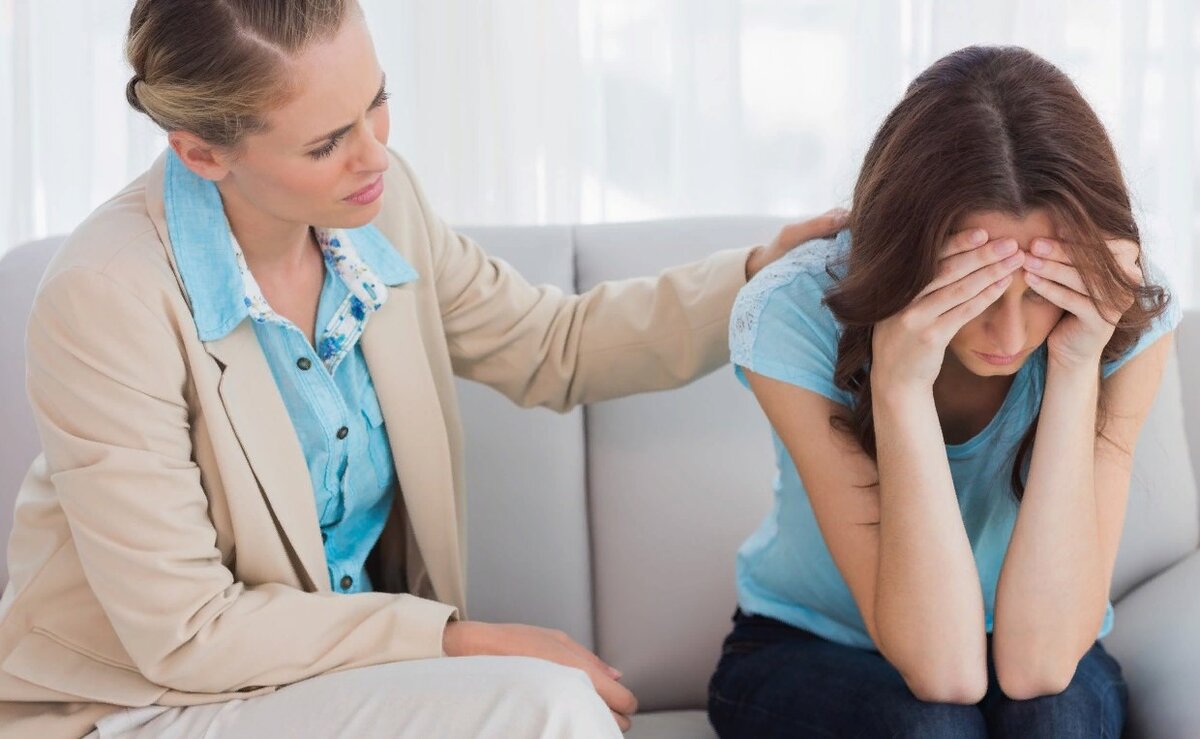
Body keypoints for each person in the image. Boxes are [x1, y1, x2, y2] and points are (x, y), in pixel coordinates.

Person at [0, 1, 845, 737]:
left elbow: (552, 343)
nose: (374, 155)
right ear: (202, 154)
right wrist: (459, 639)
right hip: (142, 707)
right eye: (327, 142)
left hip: (325, 685)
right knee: (546, 708)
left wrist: (755, 275)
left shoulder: (378, 207)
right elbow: (188, 630)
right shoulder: (105, 297)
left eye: (377, 102)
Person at [708, 45, 1177, 738]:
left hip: (1034, 636)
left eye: (1040, 291)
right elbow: (946, 674)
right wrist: (899, 383)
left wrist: (1077, 365)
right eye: (974, 288)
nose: (1009, 333)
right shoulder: (794, 312)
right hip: (809, 645)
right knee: (931, 727)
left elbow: (1041, 666)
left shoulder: (1117, 314)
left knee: (1056, 718)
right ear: (905, 253)